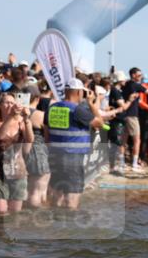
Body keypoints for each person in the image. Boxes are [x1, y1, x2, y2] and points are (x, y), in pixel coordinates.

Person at [45, 78, 112, 209]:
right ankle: (70, 227)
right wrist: (91, 104)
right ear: (78, 92)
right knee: (72, 198)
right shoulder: (78, 110)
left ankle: (55, 225)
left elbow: (47, 135)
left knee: (57, 196)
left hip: (54, 156)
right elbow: (99, 123)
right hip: (72, 158)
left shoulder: (52, 108)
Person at [0, 93, 33, 215]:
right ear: (0, 105)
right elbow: (0, 135)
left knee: (15, 213)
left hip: (17, 169)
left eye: (12, 102)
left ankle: (12, 234)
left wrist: (27, 120)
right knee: (1, 211)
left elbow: (29, 140)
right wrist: (11, 117)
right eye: (6, 102)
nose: (9, 105)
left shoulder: (21, 122)